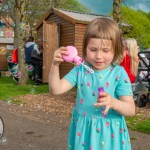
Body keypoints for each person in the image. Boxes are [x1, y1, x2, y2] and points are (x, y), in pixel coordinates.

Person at [49, 18, 135, 150]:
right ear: (85, 48)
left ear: (115, 50)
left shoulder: (118, 74)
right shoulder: (80, 70)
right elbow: (56, 89)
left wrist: (113, 102)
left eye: (105, 50)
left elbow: (130, 110)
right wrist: (55, 65)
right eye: (93, 49)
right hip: (84, 133)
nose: (99, 56)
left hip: (110, 136)